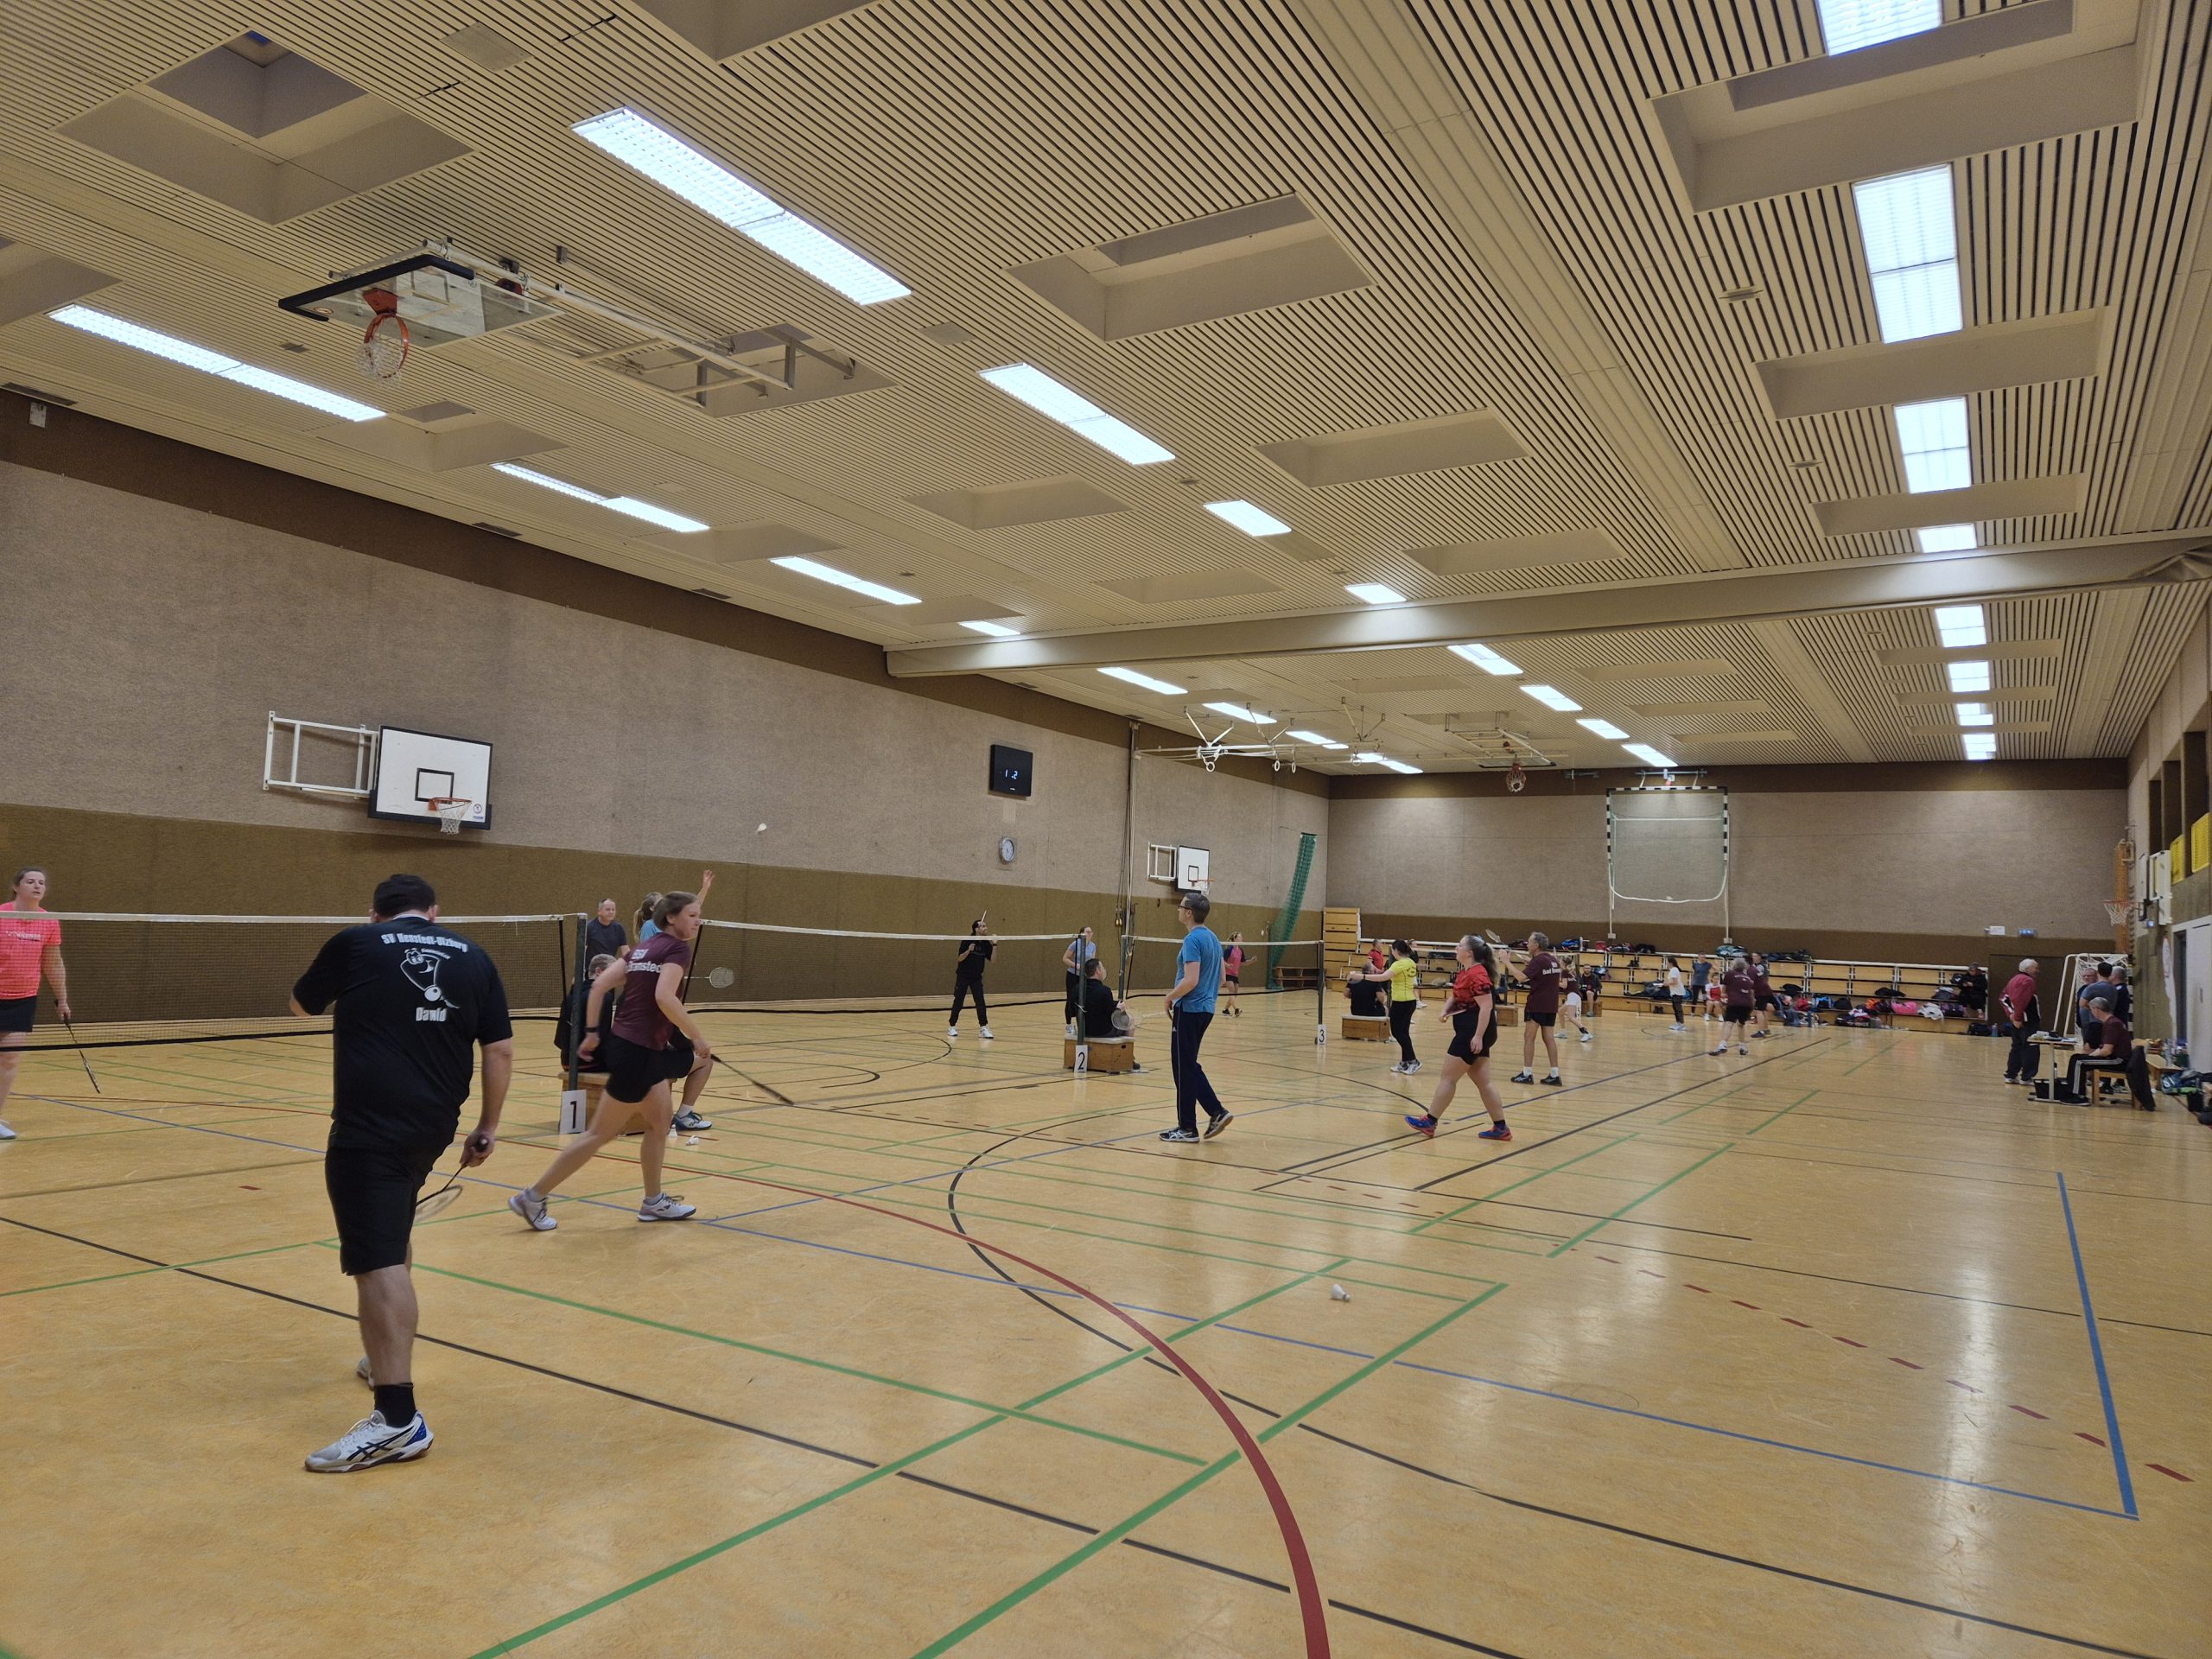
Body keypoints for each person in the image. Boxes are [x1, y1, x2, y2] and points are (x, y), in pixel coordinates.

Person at [289, 874, 512, 1472]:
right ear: (433, 913)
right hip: (434, 1126)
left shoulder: (356, 942)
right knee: (393, 1230)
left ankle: (397, 1421)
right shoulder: (475, 956)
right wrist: (488, 1126)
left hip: (369, 1128)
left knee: (376, 1259)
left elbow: (301, 1004)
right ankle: (383, 1354)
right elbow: (499, 1049)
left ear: (375, 914)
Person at [510, 888, 713, 1232]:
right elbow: (665, 996)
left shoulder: (642, 948)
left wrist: (592, 1032)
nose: (698, 921)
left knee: (659, 1124)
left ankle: (653, 1201)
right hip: (637, 1053)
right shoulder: (677, 949)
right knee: (598, 1134)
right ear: (671, 918)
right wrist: (696, 1035)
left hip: (634, 1048)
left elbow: (600, 984)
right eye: (692, 916)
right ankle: (532, 1196)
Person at [1404, 935, 1510, 1141]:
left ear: (1469, 952)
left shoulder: (1478, 974)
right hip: (1472, 1031)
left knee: (1448, 1077)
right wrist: (1445, 1010)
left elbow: (1487, 1007)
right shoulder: (1466, 972)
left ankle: (1430, 1121)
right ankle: (1501, 1128)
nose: (1456, 947)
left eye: (1460, 945)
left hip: (1472, 1032)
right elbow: (1456, 995)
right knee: (1484, 1082)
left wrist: (1478, 1036)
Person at [0, 866, 71, 1141]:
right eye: (30, 881)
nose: (37, 886)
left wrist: (62, 999)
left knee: (9, 1059)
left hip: (23, 999)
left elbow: (53, 962)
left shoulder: (48, 921)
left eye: (41, 882)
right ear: (16, 887)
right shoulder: (2, 915)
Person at [1158, 893, 1232, 1143]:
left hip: (1189, 1010)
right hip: (1206, 1010)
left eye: (1180, 907)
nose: (1178, 910)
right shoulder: (1213, 939)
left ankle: (1188, 1127)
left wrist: (1170, 997)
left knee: (1182, 1069)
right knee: (1188, 1065)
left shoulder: (1192, 940)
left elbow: (1191, 980)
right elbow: (1222, 979)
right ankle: (1216, 1112)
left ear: (1189, 912)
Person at [556, 952, 619, 1126]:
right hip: (590, 1063)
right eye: (613, 971)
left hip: (567, 1061)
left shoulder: (571, 996)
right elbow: (602, 1040)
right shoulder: (603, 997)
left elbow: (559, 1040)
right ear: (599, 972)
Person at [1352, 940, 1421, 1074]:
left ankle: (1413, 1061)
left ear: (1396, 951)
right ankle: (1405, 1062)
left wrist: (1361, 976)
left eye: (1393, 950)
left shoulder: (1399, 964)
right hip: (1410, 1001)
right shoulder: (1411, 962)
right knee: (1404, 1033)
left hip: (1401, 1002)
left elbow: (1382, 977)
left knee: (1397, 1032)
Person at [1510, 931, 1567, 1087]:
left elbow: (1521, 978)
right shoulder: (1552, 960)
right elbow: (1544, 975)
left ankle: (1527, 1074)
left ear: (1536, 945)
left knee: (1529, 1038)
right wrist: (1531, 964)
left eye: (1529, 942)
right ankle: (1555, 1075)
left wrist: (1506, 962)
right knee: (1549, 1039)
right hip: (1551, 1005)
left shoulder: (1538, 961)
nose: (1527, 944)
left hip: (1536, 1005)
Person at [2057, 995, 2132, 1103]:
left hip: (2118, 1061)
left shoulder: (2113, 1024)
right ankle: (2071, 1091)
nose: (2091, 1012)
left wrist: (2090, 1058)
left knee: (2079, 1062)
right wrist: (2089, 1057)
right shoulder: (2110, 1022)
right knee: (2076, 1058)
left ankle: (2078, 1096)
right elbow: (2102, 1048)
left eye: (2091, 1009)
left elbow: (2107, 1051)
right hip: (2114, 1058)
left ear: (2096, 1009)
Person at [949, 916, 995, 1040]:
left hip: (976, 978)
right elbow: (960, 958)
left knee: (980, 1002)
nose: (986, 928)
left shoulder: (986, 943)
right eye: (983, 926)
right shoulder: (967, 940)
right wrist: (969, 950)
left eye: (985, 925)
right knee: (959, 1002)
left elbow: (993, 960)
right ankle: (952, 1026)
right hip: (963, 976)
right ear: (976, 929)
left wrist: (995, 945)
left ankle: (983, 1028)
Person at [2000, 958, 2043, 1084]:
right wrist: (2018, 1017)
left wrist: (2011, 1014)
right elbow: (2021, 1000)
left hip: (2018, 1021)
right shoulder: (2028, 981)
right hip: (2028, 1021)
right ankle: (2026, 1077)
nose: (2038, 970)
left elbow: (2003, 998)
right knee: (2031, 1048)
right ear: (2028, 969)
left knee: (2017, 1047)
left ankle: (2011, 1075)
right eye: (2036, 968)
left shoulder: (2013, 980)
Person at [1711, 955, 1755, 1056]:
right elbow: (1751, 992)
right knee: (1741, 1024)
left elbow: (1723, 992)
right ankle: (1742, 1047)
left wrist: (1726, 995)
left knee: (1729, 1024)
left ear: (1734, 965)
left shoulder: (1730, 974)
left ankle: (1722, 1045)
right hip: (1747, 1004)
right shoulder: (1748, 977)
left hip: (1735, 1002)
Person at [1063, 926, 1098, 1031]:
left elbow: (1091, 961)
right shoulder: (1075, 944)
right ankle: (1069, 1024)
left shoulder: (1093, 946)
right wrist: (1077, 966)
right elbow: (1065, 958)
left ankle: (1083, 1024)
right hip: (1073, 975)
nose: (1090, 933)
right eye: (1087, 931)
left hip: (1085, 976)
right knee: (1071, 999)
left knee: (1084, 999)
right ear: (1082, 933)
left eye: (1091, 932)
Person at [585, 898, 627, 962]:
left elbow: (625, 951)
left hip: (610, 965)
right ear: (599, 911)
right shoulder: (589, 927)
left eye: (613, 909)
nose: (611, 912)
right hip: (592, 966)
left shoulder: (618, 928)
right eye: (608, 909)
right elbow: (582, 950)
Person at [1751, 953, 1777, 1039]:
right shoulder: (1756, 967)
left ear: (1759, 957)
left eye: (1755, 956)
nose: (1753, 958)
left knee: (1759, 1011)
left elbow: (1754, 980)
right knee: (1763, 1010)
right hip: (1765, 990)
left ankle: (1761, 1031)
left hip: (1761, 991)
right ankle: (1766, 1029)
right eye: (1752, 956)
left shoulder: (1759, 967)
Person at [1223, 932, 1246, 1017]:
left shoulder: (1240, 950)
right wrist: (1228, 965)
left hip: (1235, 974)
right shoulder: (1229, 949)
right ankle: (1236, 1009)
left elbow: (1243, 962)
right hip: (1227, 973)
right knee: (1232, 992)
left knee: (1234, 993)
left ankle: (1225, 1010)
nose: (1241, 938)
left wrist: (1252, 961)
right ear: (1234, 939)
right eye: (1239, 937)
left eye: (1241, 937)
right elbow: (1221, 960)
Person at [1662, 956, 1687, 1032]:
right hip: (1674, 992)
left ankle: (1682, 1025)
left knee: (1678, 1009)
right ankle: (1678, 1023)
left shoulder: (1674, 970)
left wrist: (1667, 984)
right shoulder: (1673, 970)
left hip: (1678, 992)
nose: (1666, 964)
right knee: (1675, 1008)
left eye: (1667, 963)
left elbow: (1675, 982)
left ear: (1671, 963)